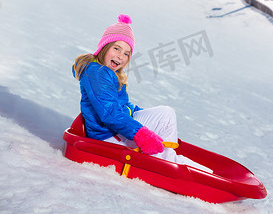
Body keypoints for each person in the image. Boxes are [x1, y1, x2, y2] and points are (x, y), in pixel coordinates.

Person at [73, 14, 212, 172]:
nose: (121, 56)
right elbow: (110, 113)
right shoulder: (97, 73)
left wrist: (139, 114)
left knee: (165, 113)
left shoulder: (108, 73)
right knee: (162, 120)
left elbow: (122, 106)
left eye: (126, 53)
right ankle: (167, 163)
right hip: (107, 136)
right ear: (104, 47)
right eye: (116, 48)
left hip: (117, 127)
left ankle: (162, 154)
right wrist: (141, 134)